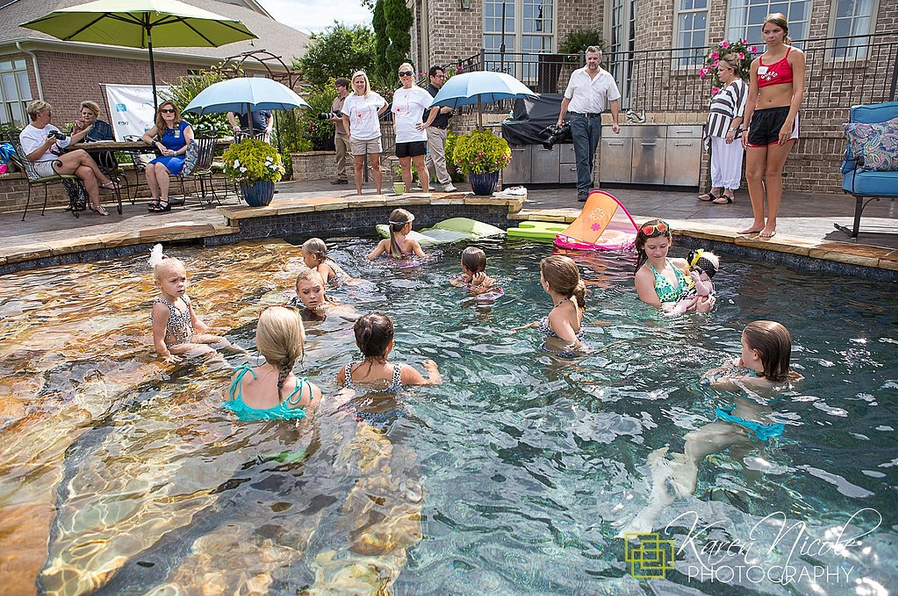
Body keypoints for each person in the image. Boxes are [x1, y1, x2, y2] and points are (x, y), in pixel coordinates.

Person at [617, 321, 802, 535]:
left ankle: (653, 511)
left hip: (738, 429)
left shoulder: (747, 381)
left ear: (755, 354)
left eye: (742, 346)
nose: (740, 350)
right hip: (763, 431)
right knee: (745, 466)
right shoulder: (793, 379)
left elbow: (710, 381)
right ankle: (748, 505)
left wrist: (728, 367)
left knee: (688, 448)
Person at [740, 13, 806, 238]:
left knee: (772, 172)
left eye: (775, 31)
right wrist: (745, 127)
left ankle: (772, 222)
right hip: (760, 117)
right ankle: (758, 221)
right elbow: (752, 97)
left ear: (784, 32)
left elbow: (798, 91)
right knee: (751, 173)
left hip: (783, 114)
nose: (771, 35)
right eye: (767, 32)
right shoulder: (756, 63)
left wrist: (789, 122)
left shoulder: (794, 55)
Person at [19, 99, 119, 216]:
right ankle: (105, 181)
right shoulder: (27, 133)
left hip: (59, 162)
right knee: (81, 153)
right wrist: (47, 144)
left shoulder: (50, 127)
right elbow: (31, 157)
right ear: (39, 114)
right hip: (43, 165)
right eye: (48, 113)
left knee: (87, 171)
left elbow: (68, 141)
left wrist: (85, 130)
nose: (51, 115)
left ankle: (97, 206)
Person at [223, 305, 322, 421]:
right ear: (299, 341)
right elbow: (307, 431)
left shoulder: (239, 378)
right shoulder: (307, 392)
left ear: (260, 341)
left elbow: (224, 416)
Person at [557, 46, 621, 202]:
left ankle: (585, 184)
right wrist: (560, 119)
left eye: (595, 58)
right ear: (586, 59)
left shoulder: (606, 77)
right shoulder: (576, 75)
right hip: (578, 119)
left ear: (600, 59)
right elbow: (567, 99)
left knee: (589, 155)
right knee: (582, 154)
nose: (592, 61)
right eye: (590, 58)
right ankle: (583, 189)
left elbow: (613, 100)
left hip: (595, 119)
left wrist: (615, 122)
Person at [147, 244, 229, 362]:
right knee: (207, 351)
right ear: (159, 284)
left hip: (189, 339)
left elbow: (195, 322)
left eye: (183, 279)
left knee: (221, 340)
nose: (180, 284)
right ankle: (226, 369)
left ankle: (247, 356)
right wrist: (166, 355)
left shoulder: (185, 299)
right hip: (174, 346)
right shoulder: (162, 308)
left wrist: (210, 329)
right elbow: (158, 339)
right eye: (173, 281)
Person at [336, 312, 441, 391]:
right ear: (390, 345)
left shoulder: (347, 372)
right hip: (392, 412)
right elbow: (432, 384)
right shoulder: (402, 372)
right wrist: (433, 370)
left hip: (358, 411)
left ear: (357, 343)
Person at [633, 219, 715, 313]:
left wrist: (707, 300)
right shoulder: (644, 276)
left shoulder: (681, 265)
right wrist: (699, 313)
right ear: (642, 246)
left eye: (663, 246)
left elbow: (698, 290)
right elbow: (654, 316)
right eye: (652, 247)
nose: (658, 252)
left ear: (669, 242)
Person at [698, 54, 748, 205]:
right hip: (717, 130)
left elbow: (740, 109)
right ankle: (715, 189)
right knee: (718, 161)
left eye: (721, 70)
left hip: (728, 130)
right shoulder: (723, 89)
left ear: (731, 70)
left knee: (730, 160)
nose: (718, 73)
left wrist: (732, 129)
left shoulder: (739, 86)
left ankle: (729, 192)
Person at [141, 101, 194, 212]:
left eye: (171, 110)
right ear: (161, 114)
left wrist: (175, 153)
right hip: (167, 157)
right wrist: (156, 143)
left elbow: (190, 145)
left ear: (175, 112)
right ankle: (155, 198)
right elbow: (145, 136)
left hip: (181, 156)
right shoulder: (161, 126)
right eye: (165, 111)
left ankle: (165, 200)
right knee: (149, 167)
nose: (168, 113)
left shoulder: (184, 126)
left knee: (159, 166)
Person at [342, 71, 389, 195]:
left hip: (373, 135)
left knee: (376, 164)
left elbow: (385, 105)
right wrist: (348, 134)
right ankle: (359, 192)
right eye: (357, 82)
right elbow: (345, 118)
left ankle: (378, 192)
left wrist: (376, 114)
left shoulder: (373, 96)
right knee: (358, 165)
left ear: (365, 82)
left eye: (362, 82)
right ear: (353, 83)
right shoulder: (349, 99)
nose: (359, 84)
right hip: (357, 136)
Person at [392, 62, 432, 194]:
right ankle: (407, 193)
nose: (405, 76)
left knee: (420, 165)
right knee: (404, 166)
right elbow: (394, 111)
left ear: (413, 75)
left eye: (408, 73)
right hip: (401, 136)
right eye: (402, 74)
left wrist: (426, 123)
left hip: (416, 135)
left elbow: (435, 106)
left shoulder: (420, 92)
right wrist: (394, 124)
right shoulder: (397, 93)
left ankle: (425, 193)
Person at [420, 65, 457, 192]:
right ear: (431, 77)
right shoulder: (427, 93)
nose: (442, 79)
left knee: (432, 157)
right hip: (433, 128)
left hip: (442, 128)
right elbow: (424, 115)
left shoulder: (441, 93)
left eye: (443, 76)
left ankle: (422, 181)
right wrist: (442, 111)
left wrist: (449, 111)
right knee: (439, 157)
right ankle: (446, 183)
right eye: (439, 76)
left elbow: (445, 112)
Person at [662, 249, 719, 316]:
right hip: (687, 300)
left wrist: (698, 281)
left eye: (698, 271)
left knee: (683, 304)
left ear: (709, 274)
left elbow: (704, 292)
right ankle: (669, 310)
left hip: (692, 302)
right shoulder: (693, 281)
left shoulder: (707, 283)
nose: (695, 273)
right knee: (670, 304)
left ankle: (674, 313)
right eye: (692, 269)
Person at [292, 268, 357, 322]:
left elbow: (357, 318)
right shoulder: (296, 306)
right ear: (298, 293)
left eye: (317, 290)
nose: (312, 296)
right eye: (306, 292)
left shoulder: (332, 310)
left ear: (324, 289)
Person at [330, 77, 351, 185]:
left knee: (354, 154)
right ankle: (341, 177)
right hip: (338, 131)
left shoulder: (351, 99)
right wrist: (331, 118)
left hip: (349, 131)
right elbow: (332, 113)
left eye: (339, 86)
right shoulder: (336, 100)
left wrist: (340, 119)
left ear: (345, 87)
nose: (337, 88)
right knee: (339, 155)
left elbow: (352, 115)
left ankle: (360, 176)